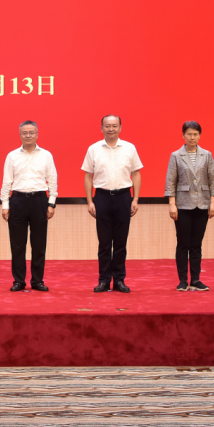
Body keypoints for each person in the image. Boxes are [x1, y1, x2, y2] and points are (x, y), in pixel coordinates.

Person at [82, 115, 143, 293]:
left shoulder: (129, 148)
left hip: (124, 197)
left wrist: (135, 199)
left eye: (114, 126)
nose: (111, 129)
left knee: (121, 243)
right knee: (104, 243)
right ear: (101, 128)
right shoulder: (93, 149)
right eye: (107, 126)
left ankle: (119, 280)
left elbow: (136, 174)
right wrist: (90, 201)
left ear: (120, 128)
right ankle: (103, 280)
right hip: (102, 197)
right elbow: (88, 176)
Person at [0, 120, 58, 292]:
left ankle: (37, 280)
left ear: (37, 134)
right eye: (24, 133)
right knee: (17, 245)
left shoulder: (46, 155)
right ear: (20, 135)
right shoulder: (12, 156)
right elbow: (6, 182)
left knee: (39, 244)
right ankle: (18, 281)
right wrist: (5, 204)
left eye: (31, 132)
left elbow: (52, 180)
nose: (28, 135)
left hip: (39, 200)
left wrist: (51, 203)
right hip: (17, 201)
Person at [164, 120, 214, 292]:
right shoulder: (176, 155)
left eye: (195, 134)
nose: (192, 137)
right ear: (183, 135)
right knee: (183, 244)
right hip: (182, 205)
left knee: (196, 244)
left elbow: (213, 179)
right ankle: (182, 280)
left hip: (202, 204)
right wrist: (172, 204)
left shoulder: (207, 155)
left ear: (199, 135)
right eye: (189, 134)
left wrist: (212, 202)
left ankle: (195, 279)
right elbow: (171, 181)